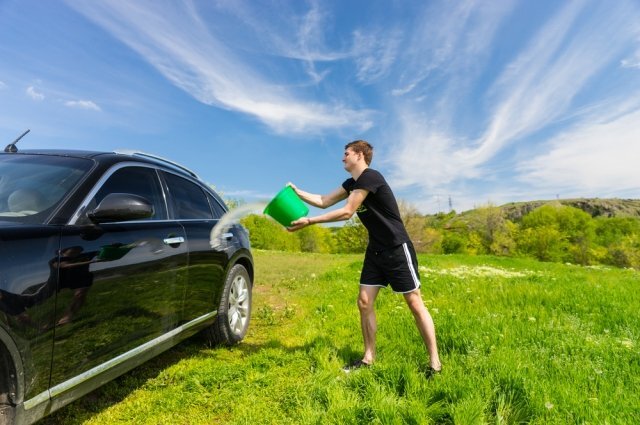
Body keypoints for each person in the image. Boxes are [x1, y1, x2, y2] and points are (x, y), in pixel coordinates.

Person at [287, 140, 442, 376]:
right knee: (364, 302)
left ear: (360, 155)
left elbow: (347, 211)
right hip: (376, 251)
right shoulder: (352, 183)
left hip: (396, 247)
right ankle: (368, 358)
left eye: (346, 153)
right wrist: (297, 192)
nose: (343, 158)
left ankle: (435, 364)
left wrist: (310, 221)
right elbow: (324, 201)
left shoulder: (370, 177)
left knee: (414, 303)